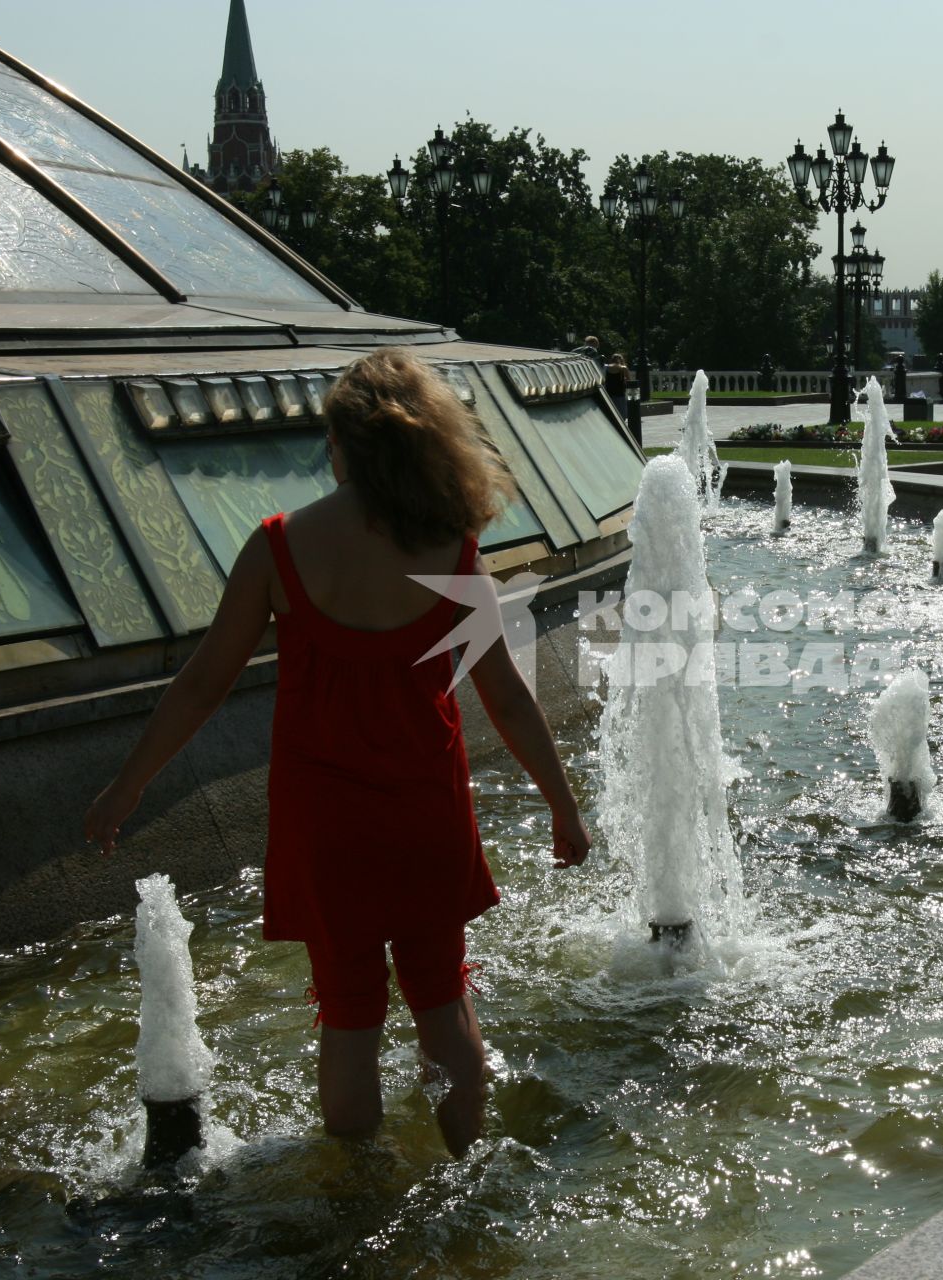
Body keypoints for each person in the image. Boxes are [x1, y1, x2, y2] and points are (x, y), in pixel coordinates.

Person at [82, 349, 592, 1156]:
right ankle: (469, 1170)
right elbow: (507, 697)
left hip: (328, 824)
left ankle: (355, 1197)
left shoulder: (281, 546)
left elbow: (204, 684)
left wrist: (126, 787)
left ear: (344, 444)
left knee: (348, 1015)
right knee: (443, 1000)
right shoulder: (456, 554)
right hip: (427, 815)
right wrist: (561, 805)